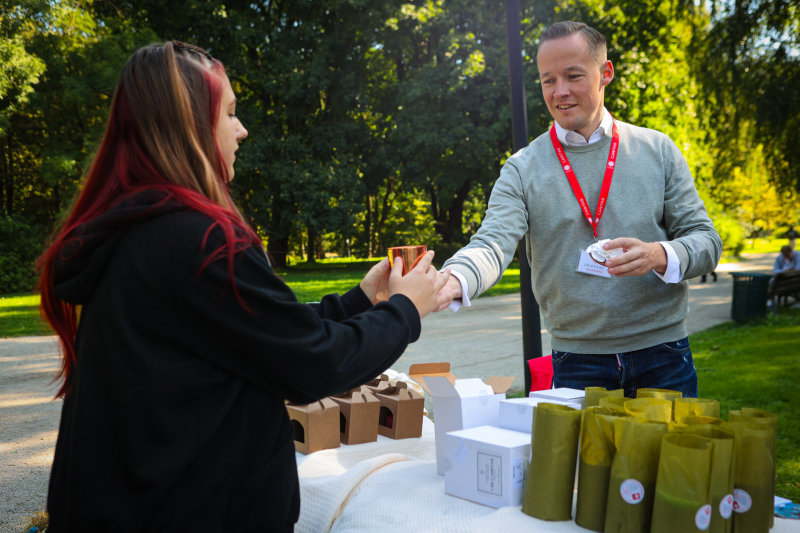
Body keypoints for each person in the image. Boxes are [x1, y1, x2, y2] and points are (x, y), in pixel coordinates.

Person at [37, 41, 450, 531]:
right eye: (230, 112)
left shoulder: (138, 229)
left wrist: (362, 300)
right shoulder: (202, 240)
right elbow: (312, 364)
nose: (242, 129)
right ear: (190, 125)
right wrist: (405, 310)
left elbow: (259, 333)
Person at [437, 21, 721, 398]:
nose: (561, 92)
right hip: (576, 362)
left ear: (605, 74)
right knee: (584, 462)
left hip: (664, 356)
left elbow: (707, 242)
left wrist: (658, 254)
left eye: (573, 76)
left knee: (670, 461)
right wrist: (453, 280)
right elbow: (492, 243)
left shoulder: (657, 150)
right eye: (548, 80)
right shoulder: (522, 168)